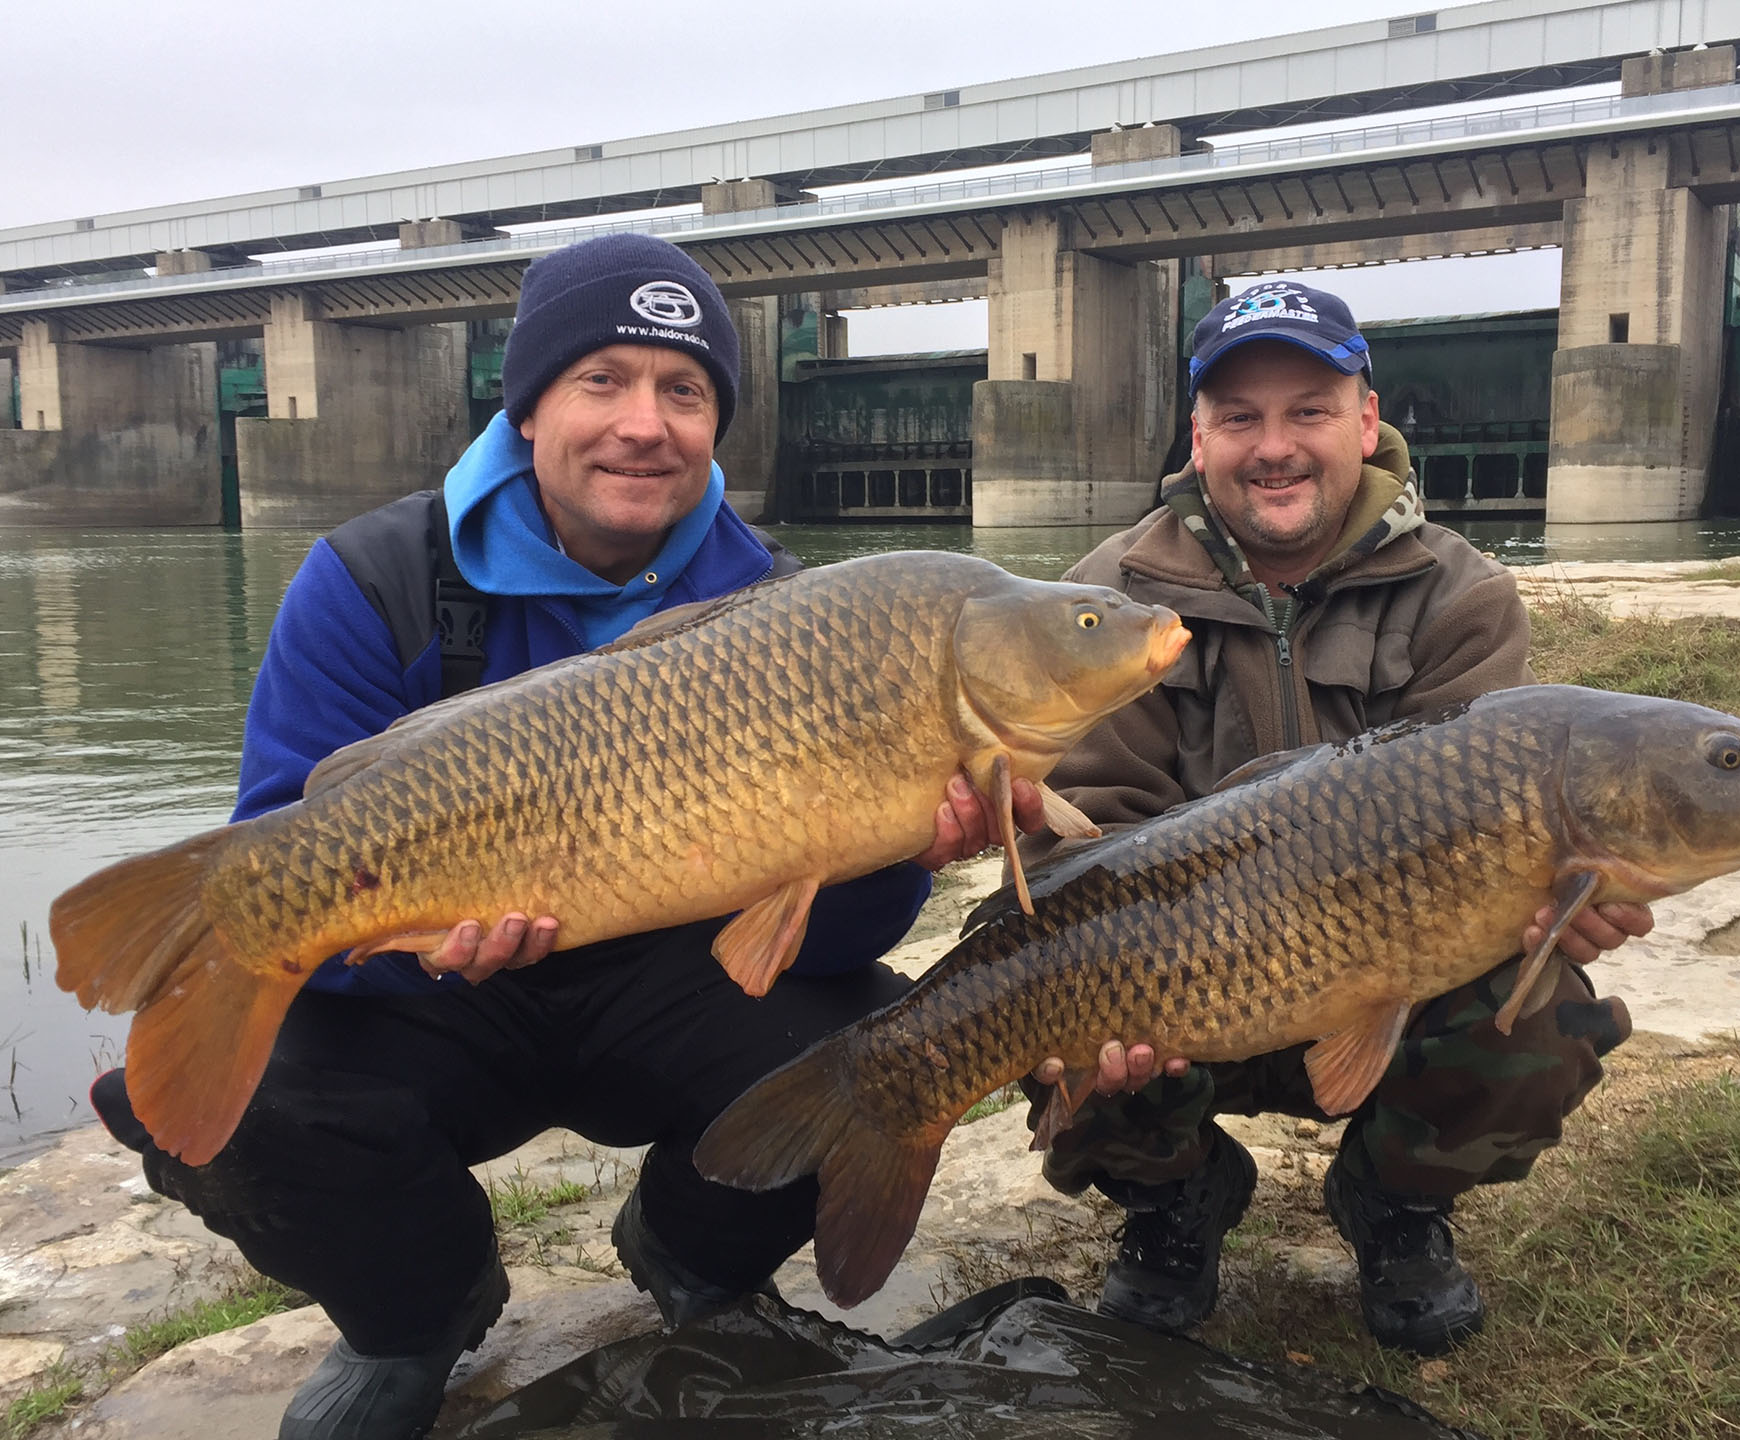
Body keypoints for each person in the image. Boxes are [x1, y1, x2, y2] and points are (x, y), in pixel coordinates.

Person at [86, 233, 1038, 1440]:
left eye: (684, 391)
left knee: (871, 1053)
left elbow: (826, 938)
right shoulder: (370, 578)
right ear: (529, 408)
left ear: (716, 425)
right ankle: (416, 1313)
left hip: (665, 975)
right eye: (604, 379)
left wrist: (911, 847)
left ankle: (696, 1252)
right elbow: (284, 845)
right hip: (438, 994)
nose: (646, 423)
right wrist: (414, 941)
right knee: (258, 1104)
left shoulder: (800, 616)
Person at [1015, 279, 1653, 1357]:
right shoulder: (1104, 601)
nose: (1275, 447)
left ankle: (1394, 1204)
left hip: (1392, 957)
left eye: (1307, 410)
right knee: (1072, 1041)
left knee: (1547, 1018)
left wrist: (1556, 907)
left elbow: (1490, 831)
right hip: (1189, 975)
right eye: (1242, 418)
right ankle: (1178, 1204)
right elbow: (1083, 833)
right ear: (1199, 434)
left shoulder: (1462, 594)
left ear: (1365, 419)